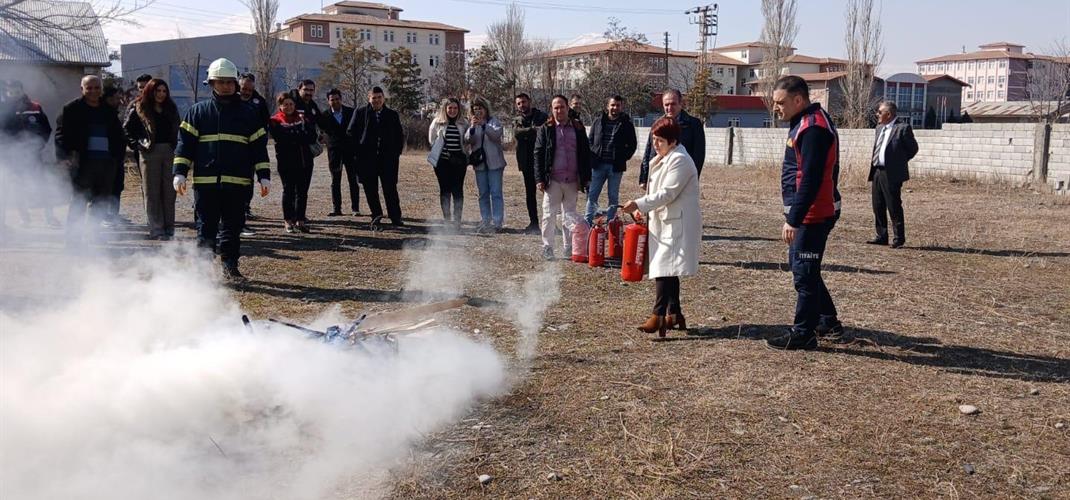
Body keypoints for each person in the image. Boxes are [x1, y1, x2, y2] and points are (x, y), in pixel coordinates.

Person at [173, 58, 271, 280]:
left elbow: (258, 149)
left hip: (238, 182)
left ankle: (230, 266)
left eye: (229, 82)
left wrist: (263, 176)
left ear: (236, 84)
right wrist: (179, 172)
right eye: (220, 82)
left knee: (233, 228)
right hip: (206, 183)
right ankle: (203, 271)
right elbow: (184, 145)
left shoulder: (249, 113)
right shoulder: (198, 112)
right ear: (211, 84)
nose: (225, 86)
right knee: (205, 228)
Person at [767, 75, 844, 350]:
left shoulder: (813, 128)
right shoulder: (803, 121)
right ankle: (828, 321)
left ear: (798, 100)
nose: (776, 108)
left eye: (780, 102)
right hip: (809, 212)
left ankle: (803, 333)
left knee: (804, 272)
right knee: (805, 268)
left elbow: (811, 179)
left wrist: (794, 219)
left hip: (814, 214)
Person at [620, 117, 701, 337]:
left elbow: (667, 193)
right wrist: (641, 208)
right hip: (666, 221)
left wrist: (638, 203)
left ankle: (658, 316)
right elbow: (655, 192)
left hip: (678, 223)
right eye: (654, 139)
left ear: (673, 140)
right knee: (668, 268)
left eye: (660, 140)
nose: (656, 144)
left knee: (664, 268)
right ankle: (674, 313)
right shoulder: (664, 157)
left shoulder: (680, 160)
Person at [54, 75, 126, 249]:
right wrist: (64, 157)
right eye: (89, 88)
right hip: (82, 164)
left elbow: (118, 137)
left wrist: (116, 159)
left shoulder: (108, 110)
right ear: (82, 89)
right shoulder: (71, 109)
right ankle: (73, 242)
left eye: (97, 88)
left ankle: (94, 238)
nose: (94, 91)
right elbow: (60, 135)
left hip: (106, 165)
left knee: (100, 202)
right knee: (78, 201)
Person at [534, 95, 591, 260]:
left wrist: (586, 177)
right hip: (552, 181)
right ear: (552, 110)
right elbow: (538, 154)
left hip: (573, 180)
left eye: (562, 107)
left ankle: (569, 247)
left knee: (569, 215)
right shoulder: (546, 128)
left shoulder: (578, 128)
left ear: (568, 108)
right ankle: (547, 247)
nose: (559, 110)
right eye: (555, 108)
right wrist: (539, 179)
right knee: (548, 215)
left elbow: (585, 154)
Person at [123, 78, 180, 240]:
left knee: (170, 192)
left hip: (169, 151)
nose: (161, 94)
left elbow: (178, 127)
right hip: (149, 152)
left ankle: (169, 228)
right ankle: (156, 229)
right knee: (151, 192)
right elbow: (126, 129)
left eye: (164, 91)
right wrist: (138, 145)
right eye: (157, 91)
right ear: (150, 91)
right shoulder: (139, 106)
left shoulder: (171, 107)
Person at [347, 86, 405, 227]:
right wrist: (358, 152)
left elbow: (399, 136)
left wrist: (395, 152)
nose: (377, 100)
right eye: (374, 98)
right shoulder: (360, 113)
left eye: (379, 97)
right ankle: (376, 215)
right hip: (367, 159)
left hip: (388, 159)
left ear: (383, 98)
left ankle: (395, 216)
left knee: (390, 189)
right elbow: (351, 133)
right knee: (370, 189)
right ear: (369, 98)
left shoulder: (392, 114)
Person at [1, 80, 57, 227]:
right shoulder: (3, 109)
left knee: (42, 185)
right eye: (10, 91)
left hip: (34, 155)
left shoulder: (35, 107)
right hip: (11, 157)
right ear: (7, 92)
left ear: (21, 90)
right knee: (15, 188)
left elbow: (46, 129)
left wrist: (39, 146)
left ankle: (50, 218)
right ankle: (25, 219)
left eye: (16, 91)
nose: (13, 94)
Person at [868, 100, 918, 249]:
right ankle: (881, 235)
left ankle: (898, 238)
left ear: (888, 114)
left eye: (880, 112)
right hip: (877, 171)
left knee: (893, 205)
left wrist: (899, 162)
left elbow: (913, 149)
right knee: (878, 205)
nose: (877, 114)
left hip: (892, 173)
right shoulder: (879, 128)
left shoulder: (902, 128)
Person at [269, 92, 317, 233]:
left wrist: (297, 136)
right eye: (286, 105)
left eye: (291, 104)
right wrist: (299, 136)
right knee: (288, 191)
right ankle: (288, 220)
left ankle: (300, 220)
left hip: (305, 162)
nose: (289, 107)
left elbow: (312, 136)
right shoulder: (275, 120)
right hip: (286, 163)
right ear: (280, 106)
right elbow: (282, 139)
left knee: (302, 192)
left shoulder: (302, 118)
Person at [586, 94, 637, 225]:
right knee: (592, 195)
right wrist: (592, 157)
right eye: (612, 105)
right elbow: (590, 140)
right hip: (598, 165)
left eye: (618, 105)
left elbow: (632, 144)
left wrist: (623, 157)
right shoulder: (598, 121)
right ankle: (587, 222)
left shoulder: (626, 123)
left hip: (615, 167)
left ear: (621, 106)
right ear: (607, 106)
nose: (615, 108)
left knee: (613, 197)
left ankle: (610, 222)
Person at [638, 89, 705, 189]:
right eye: (666, 105)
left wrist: (692, 178)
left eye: (673, 104)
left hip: (681, 175)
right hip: (659, 174)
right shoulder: (657, 124)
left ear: (680, 103)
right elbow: (649, 151)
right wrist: (644, 177)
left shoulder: (693, 124)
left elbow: (698, 155)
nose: (669, 108)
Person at [465, 96, 507, 233]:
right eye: (475, 109)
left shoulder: (493, 122)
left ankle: (497, 221)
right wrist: (472, 127)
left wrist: (484, 125)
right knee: (483, 193)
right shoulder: (472, 123)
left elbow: (496, 136)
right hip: (480, 164)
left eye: (480, 109)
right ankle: (485, 219)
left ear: (486, 109)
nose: (478, 112)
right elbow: (467, 140)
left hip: (495, 164)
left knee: (496, 193)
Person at [427, 97, 468, 226]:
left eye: (455, 108)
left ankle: (457, 220)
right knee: (445, 190)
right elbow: (432, 140)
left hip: (459, 161)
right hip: (442, 162)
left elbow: (467, 140)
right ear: (445, 109)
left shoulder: (464, 123)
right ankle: (447, 219)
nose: (452, 110)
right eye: (450, 108)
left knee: (458, 190)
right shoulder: (437, 122)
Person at [319, 88, 360, 216]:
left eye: (337, 99)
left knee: (353, 180)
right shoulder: (324, 115)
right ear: (328, 101)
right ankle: (337, 209)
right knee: (335, 180)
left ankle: (355, 208)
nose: (335, 102)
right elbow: (322, 132)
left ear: (341, 99)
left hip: (350, 151)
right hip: (334, 152)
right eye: (332, 100)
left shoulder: (351, 112)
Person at [238, 73, 270, 234]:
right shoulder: (231, 99)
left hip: (251, 151)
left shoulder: (259, 102)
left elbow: (265, 125)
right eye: (244, 88)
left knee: (246, 184)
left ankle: (243, 212)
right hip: (232, 151)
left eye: (250, 89)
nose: (246, 92)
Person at [512, 93, 548, 234]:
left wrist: (528, 132)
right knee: (530, 194)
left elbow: (544, 132)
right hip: (526, 161)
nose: (522, 105)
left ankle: (550, 223)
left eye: (524, 102)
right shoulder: (517, 119)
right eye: (519, 103)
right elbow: (517, 133)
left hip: (542, 160)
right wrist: (533, 130)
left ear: (530, 102)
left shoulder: (542, 116)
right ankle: (533, 223)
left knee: (548, 193)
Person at [102, 86, 130, 226]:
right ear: (108, 98)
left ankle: (113, 215)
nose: (119, 100)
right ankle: (105, 217)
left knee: (117, 187)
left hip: (116, 159)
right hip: (108, 159)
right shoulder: (104, 114)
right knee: (108, 188)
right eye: (116, 98)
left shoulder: (112, 113)